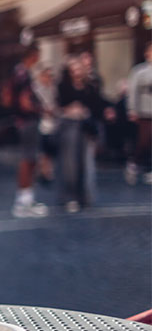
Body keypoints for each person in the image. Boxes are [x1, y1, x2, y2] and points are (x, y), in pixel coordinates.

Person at [56, 55, 109, 213]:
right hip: (69, 126)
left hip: (86, 126)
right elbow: (58, 105)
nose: (76, 72)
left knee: (86, 164)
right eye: (73, 69)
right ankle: (70, 196)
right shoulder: (63, 86)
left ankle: (85, 195)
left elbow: (96, 104)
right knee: (69, 163)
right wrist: (69, 109)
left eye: (78, 69)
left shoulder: (89, 86)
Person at [10, 47, 49, 217]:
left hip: (24, 121)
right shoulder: (23, 74)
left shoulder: (19, 72)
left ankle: (26, 198)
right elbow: (24, 101)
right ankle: (23, 201)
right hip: (28, 122)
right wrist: (40, 109)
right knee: (28, 159)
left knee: (30, 159)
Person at [125, 41, 152, 185]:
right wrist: (132, 109)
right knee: (144, 140)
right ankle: (134, 163)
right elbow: (133, 91)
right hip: (145, 111)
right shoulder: (140, 71)